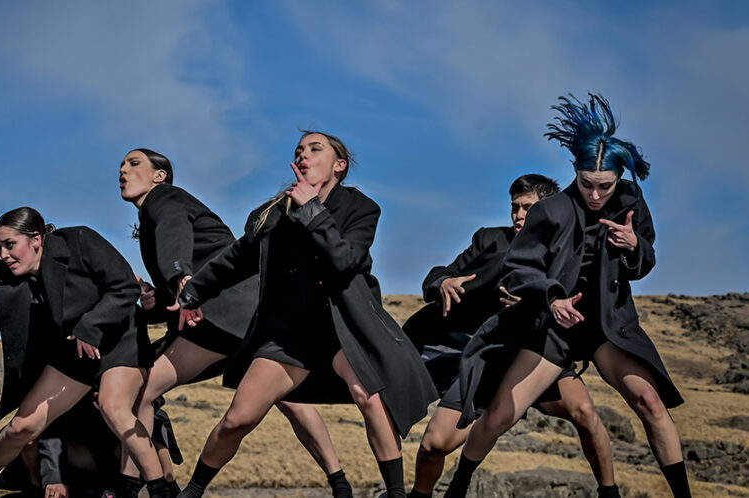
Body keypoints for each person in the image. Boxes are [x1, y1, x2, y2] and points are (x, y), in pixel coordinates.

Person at [449, 94, 690, 497]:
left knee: (649, 401)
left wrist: (634, 246)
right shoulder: (551, 211)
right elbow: (518, 269)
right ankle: (458, 487)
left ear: (619, 178)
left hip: (606, 327)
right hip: (552, 327)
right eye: (586, 184)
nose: (595, 195)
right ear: (575, 173)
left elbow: (644, 262)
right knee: (499, 416)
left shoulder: (631, 203)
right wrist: (553, 298)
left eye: (604, 186)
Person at [173, 131, 438, 498]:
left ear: (339, 166)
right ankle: (192, 491)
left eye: (315, 149)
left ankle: (396, 493)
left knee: (370, 396)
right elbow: (235, 260)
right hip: (289, 336)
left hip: (343, 330)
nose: (303, 155)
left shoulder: (361, 208)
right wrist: (191, 293)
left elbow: (345, 261)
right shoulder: (272, 213)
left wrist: (312, 209)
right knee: (238, 419)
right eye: (299, 150)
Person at [117, 149, 353, 498]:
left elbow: (174, 235)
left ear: (159, 175)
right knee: (288, 399)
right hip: (245, 315)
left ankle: (143, 487)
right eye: (121, 166)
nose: (123, 170)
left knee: (139, 391)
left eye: (134, 163)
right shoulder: (160, 209)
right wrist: (156, 299)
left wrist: (179, 277)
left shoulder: (164, 198)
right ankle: (340, 483)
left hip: (221, 315)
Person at [0, 207, 161, 497]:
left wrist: (90, 327)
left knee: (115, 409)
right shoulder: (15, 284)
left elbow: (124, 287)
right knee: (21, 428)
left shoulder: (79, 241)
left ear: (36, 239)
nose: (3, 254)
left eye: (10, 244)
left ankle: (163, 489)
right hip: (76, 357)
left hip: (119, 344)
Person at [404, 174, 619, 498]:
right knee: (435, 444)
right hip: (488, 357)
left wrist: (539, 302)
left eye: (528, 208)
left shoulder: (569, 250)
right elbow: (441, 274)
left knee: (585, 413)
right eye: (515, 207)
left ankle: (610, 492)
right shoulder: (490, 239)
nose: (519, 215)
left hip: (541, 354)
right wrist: (444, 282)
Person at [0, 393, 182, 498]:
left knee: (150, 424)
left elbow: (154, 400)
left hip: (119, 456)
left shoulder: (127, 359)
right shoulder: (68, 375)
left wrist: (116, 399)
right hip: (76, 453)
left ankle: (169, 488)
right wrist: (53, 478)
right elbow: (49, 426)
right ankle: (38, 491)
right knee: (30, 432)